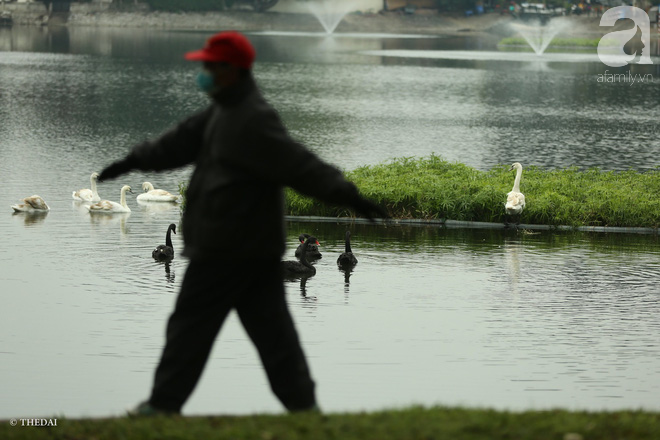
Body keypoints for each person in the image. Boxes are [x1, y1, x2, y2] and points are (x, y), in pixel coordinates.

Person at [98, 30, 387, 416]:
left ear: (230, 71)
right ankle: (301, 411)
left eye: (209, 66)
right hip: (227, 249)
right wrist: (131, 160)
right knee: (245, 335)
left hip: (236, 251)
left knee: (203, 332)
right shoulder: (221, 111)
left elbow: (302, 166)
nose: (203, 72)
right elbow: (176, 143)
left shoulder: (252, 118)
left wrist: (351, 196)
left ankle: (165, 407)